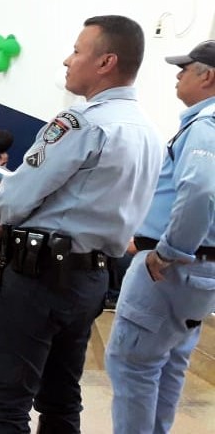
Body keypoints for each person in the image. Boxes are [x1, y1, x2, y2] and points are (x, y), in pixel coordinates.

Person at [0, 15, 162, 434]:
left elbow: (17, 196)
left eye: (77, 51)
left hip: (39, 277)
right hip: (91, 278)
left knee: (4, 402)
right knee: (61, 397)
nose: (67, 60)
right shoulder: (148, 132)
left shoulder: (82, 123)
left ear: (106, 62)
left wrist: (1, 212)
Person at [105, 40, 215, 434]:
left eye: (186, 68)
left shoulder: (206, 125)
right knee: (169, 364)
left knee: (133, 366)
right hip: (202, 271)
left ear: (208, 76)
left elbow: (200, 190)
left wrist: (168, 251)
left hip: (171, 270)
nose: (178, 74)